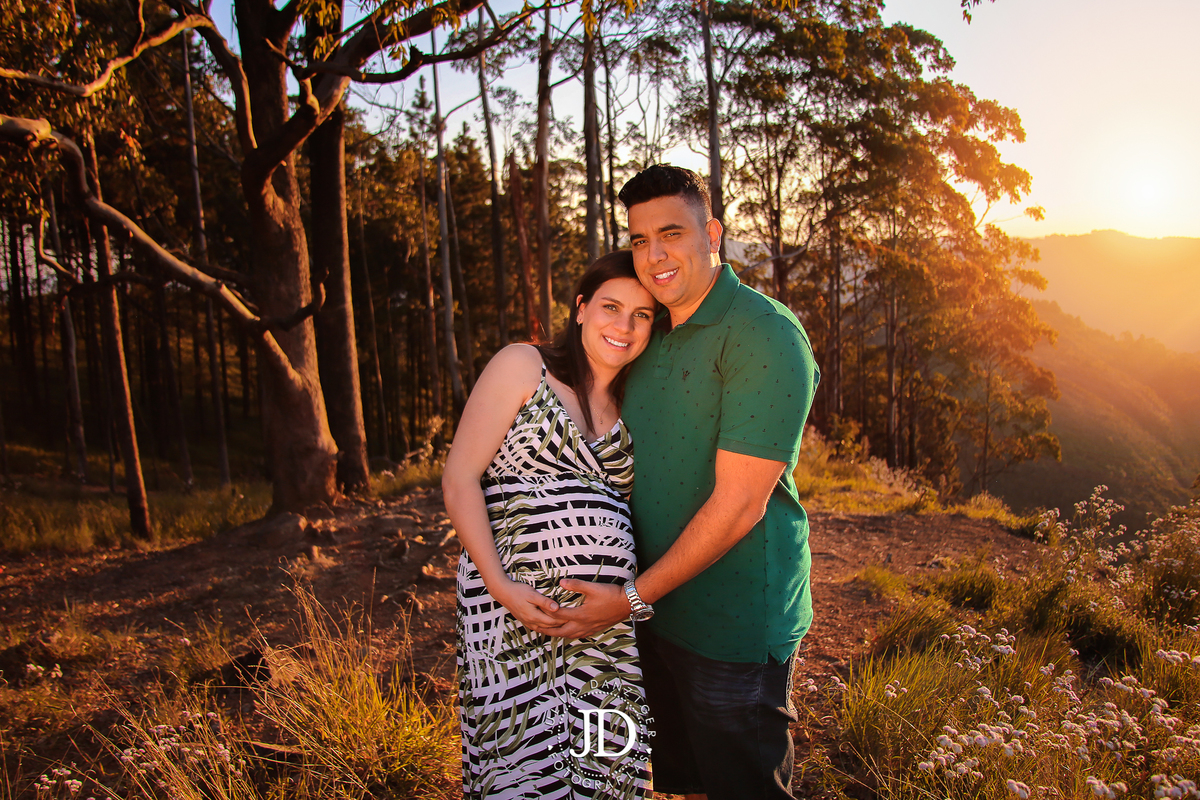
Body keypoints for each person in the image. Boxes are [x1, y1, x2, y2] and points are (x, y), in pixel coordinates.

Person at [545, 165, 820, 800]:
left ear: (712, 234)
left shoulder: (764, 335)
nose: (655, 256)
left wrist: (627, 600)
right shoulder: (648, 327)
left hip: (732, 624)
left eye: (672, 233)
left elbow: (740, 505)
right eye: (640, 240)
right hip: (654, 615)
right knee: (685, 782)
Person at [443, 250, 658, 799]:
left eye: (642, 314)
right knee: (523, 768)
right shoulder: (523, 365)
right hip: (511, 612)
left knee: (606, 768)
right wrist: (500, 585)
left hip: (605, 627)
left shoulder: (638, 402)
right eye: (611, 307)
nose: (624, 325)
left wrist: (629, 598)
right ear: (581, 308)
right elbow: (459, 479)